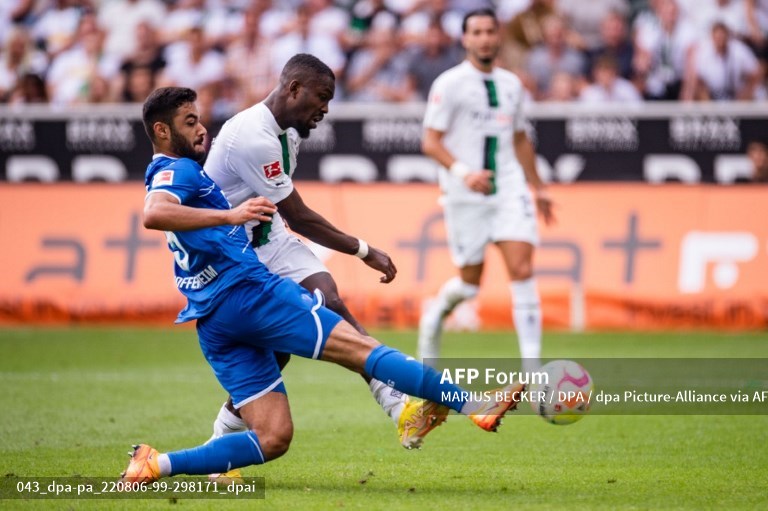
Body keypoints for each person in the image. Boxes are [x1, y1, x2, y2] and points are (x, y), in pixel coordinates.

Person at [120, 86, 524, 482]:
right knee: (362, 348)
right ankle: (474, 405)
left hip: (214, 319)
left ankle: (157, 465)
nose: (201, 129)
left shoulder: (171, 172)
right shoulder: (181, 168)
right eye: (189, 122)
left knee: (274, 436)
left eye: (199, 119)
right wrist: (231, 216)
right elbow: (154, 214)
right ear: (161, 131)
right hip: (250, 294)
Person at [203, 53, 436, 456]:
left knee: (326, 300)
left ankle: (397, 405)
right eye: (322, 97)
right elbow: (299, 216)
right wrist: (364, 250)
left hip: (265, 232)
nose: (326, 109)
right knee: (276, 353)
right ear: (294, 89)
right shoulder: (252, 136)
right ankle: (218, 444)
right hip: (231, 249)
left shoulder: (287, 131)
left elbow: (281, 212)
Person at [418, 9, 554, 373]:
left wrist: (538, 188)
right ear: (465, 39)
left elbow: (521, 138)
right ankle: (434, 316)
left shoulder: (512, 84)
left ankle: (533, 373)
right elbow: (430, 142)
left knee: (522, 269)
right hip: (465, 195)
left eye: (490, 31)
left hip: (508, 187)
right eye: (476, 32)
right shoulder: (449, 84)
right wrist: (464, 173)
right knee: (469, 286)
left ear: (499, 36)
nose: (484, 39)